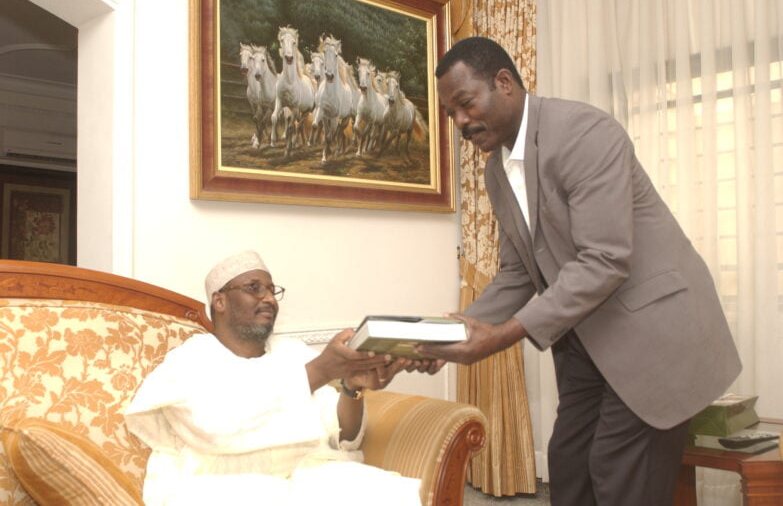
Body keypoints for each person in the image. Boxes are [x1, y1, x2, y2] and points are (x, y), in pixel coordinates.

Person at [418, 37, 742, 506]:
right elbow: (518, 272)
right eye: (452, 114)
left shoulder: (583, 132)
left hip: (650, 336)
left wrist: (503, 334)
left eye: (466, 104)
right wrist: (445, 337)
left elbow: (605, 258)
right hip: (587, 340)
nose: (461, 122)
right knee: (569, 469)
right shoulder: (495, 170)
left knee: (618, 477)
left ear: (504, 83)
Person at [125, 250, 421, 506]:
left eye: (271, 289)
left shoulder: (293, 354)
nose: (268, 298)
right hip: (220, 484)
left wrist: (351, 388)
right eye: (254, 288)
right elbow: (218, 428)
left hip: (307, 475)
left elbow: (343, 438)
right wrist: (322, 371)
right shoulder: (189, 360)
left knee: (393, 492)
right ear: (220, 301)